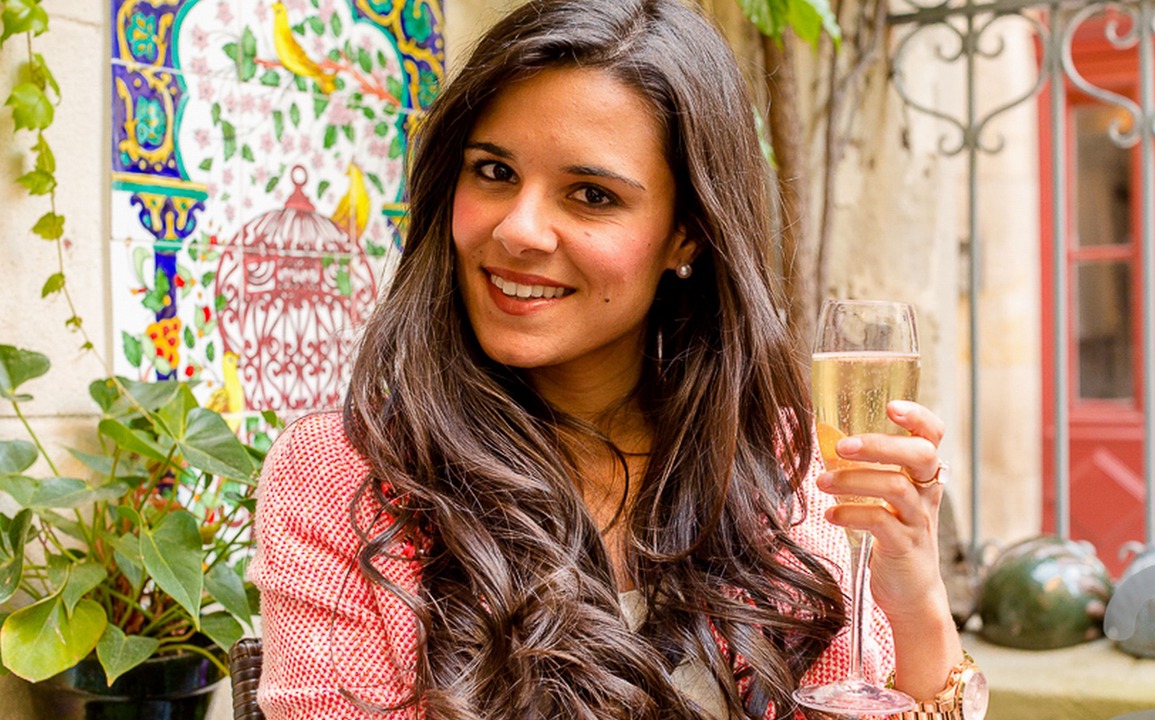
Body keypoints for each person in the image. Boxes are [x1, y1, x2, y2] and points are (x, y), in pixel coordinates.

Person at [247, 0, 976, 718]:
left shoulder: (778, 461)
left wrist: (912, 595)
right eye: (494, 172)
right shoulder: (349, 477)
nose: (520, 230)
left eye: (590, 195)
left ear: (688, 236)